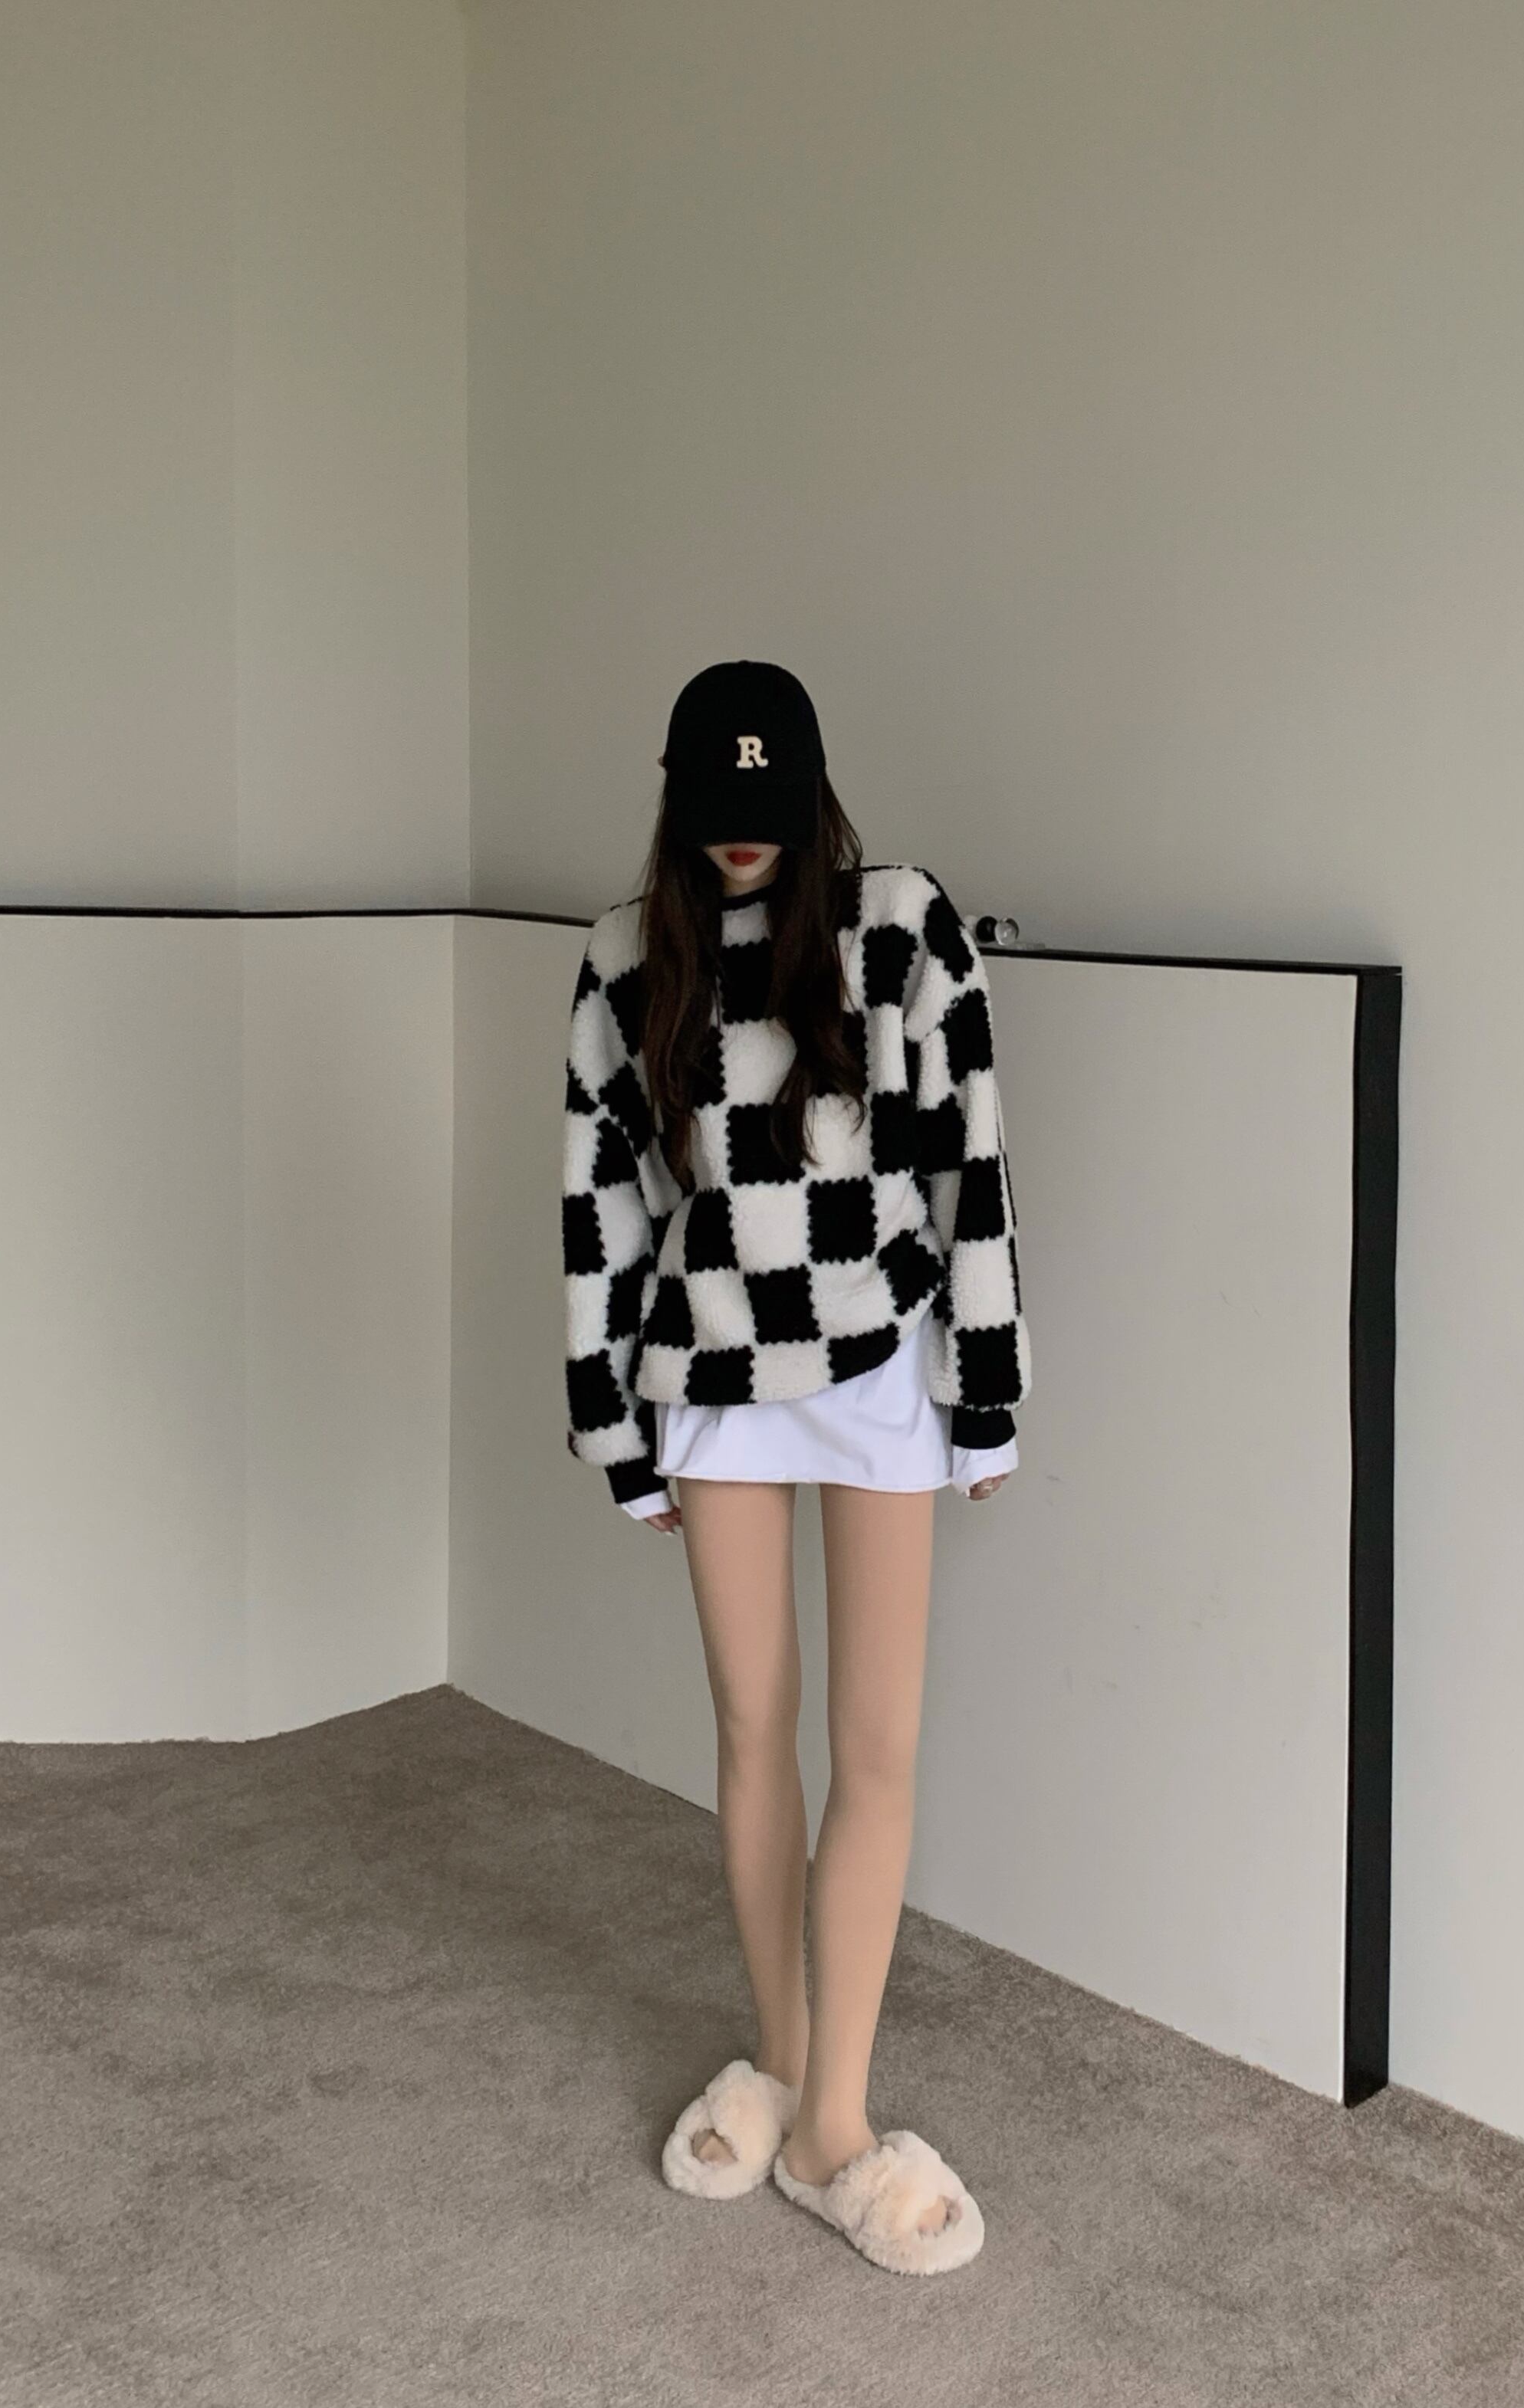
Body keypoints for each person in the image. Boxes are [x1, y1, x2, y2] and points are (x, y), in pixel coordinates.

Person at [560, 659, 1030, 2275]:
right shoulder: (628, 955)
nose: (739, 837)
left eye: (766, 807)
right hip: (711, 1368)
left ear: (813, 793)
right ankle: (782, 2062)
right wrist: (609, 1421)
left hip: (877, 1359)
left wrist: (986, 1388)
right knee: (753, 1723)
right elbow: (600, 1206)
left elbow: (970, 1159)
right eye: (714, 808)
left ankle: (835, 2113)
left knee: (874, 1743)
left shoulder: (900, 925)